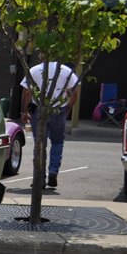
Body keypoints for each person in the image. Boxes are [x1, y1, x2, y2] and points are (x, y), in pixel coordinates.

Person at [19, 55, 80, 188]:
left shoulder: (34, 70)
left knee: (40, 144)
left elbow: (27, 92)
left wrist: (24, 111)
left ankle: (40, 178)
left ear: (42, 55)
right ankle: (53, 172)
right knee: (57, 142)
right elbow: (74, 93)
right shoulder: (66, 71)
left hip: (39, 111)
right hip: (58, 110)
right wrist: (68, 107)